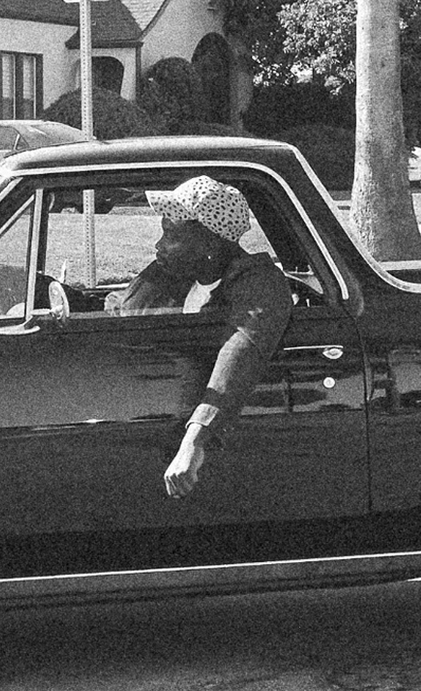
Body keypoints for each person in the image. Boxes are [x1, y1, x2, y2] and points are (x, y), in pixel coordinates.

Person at [108, 175, 297, 498]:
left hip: (198, 439)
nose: (159, 245)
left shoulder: (260, 285)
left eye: (171, 235)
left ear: (210, 242)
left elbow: (242, 348)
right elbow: (129, 313)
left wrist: (195, 441)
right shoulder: (181, 275)